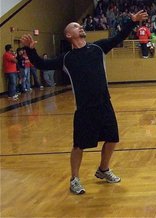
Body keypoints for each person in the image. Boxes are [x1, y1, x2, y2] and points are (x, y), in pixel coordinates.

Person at [20, 10, 148, 195]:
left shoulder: (97, 48)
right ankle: (75, 179)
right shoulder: (66, 58)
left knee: (112, 139)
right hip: (84, 109)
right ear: (68, 35)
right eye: (76, 26)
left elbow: (118, 37)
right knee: (79, 145)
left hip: (104, 104)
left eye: (80, 26)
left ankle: (103, 169)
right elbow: (41, 64)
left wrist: (132, 21)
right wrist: (31, 50)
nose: (80, 27)